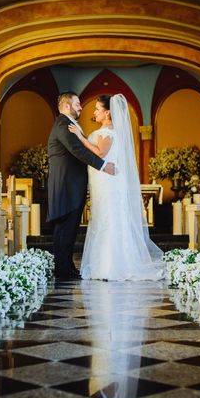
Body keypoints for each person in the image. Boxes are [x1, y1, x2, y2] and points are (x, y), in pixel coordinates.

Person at [68, 94, 164, 281]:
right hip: (103, 181)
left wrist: (80, 137)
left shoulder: (107, 133)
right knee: (104, 219)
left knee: (109, 219)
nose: (94, 112)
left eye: (97, 109)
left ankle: (112, 266)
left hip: (109, 183)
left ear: (107, 113)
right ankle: (104, 264)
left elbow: (100, 153)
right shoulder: (106, 131)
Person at [47, 92, 116, 280]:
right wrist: (103, 166)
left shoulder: (68, 124)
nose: (81, 107)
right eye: (77, 104)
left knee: (70, 228)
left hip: (72, 184)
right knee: (64, 227)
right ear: (67, 106)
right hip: (66, 184)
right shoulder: (63, 123)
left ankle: (67, 267)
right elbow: (77, 150)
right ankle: (62, 270)